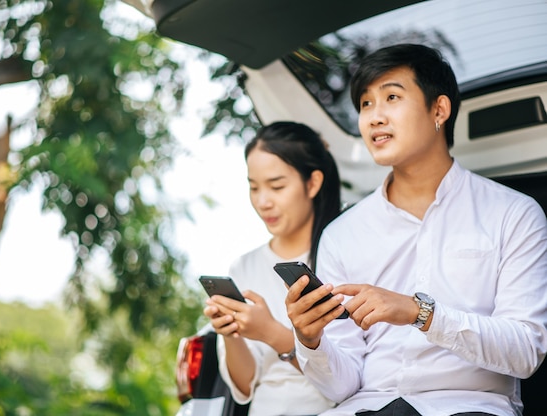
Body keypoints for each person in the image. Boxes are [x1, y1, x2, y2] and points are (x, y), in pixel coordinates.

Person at [285, 43, 547, 415]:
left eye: (391, 97)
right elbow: (342, 386)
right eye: (365, 104)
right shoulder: (342, 234)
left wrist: (420, 312)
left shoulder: (514, 214)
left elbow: (525, 351)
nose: (374, 117)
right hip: (366, 407)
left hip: (470, 406)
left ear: (439, 109)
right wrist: (310, 340)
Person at [203, 121, 342, 416]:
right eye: (254, 187)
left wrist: (270, 332)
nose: (263, 201)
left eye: (276, 186)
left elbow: (345, 378)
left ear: (313, 183)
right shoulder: (244, 267)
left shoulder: (342, 254)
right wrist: (231, 334)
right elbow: (244, 386)